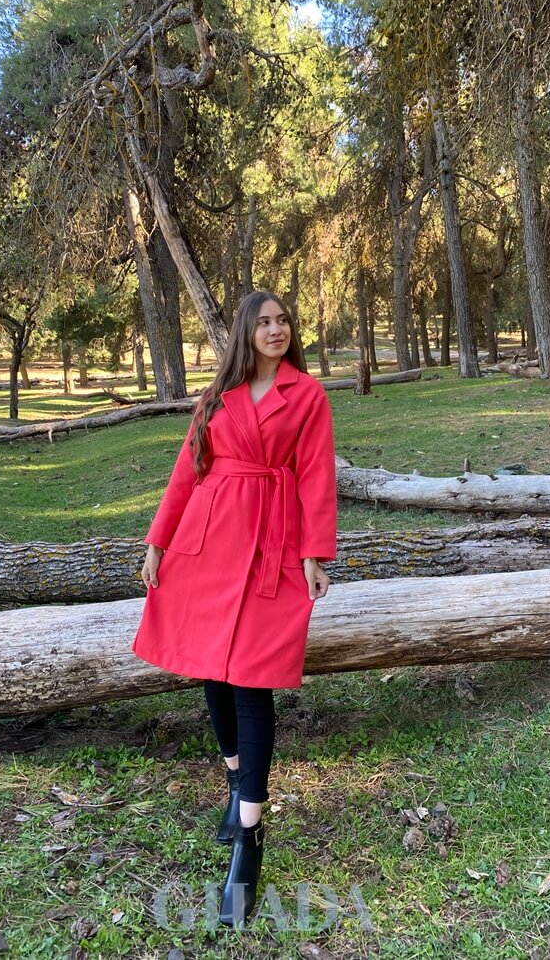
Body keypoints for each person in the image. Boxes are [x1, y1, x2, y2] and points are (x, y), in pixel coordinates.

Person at [133, 290, 337, 927]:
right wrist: (158, 542)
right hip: (207, 543)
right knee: (210, 670)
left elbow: (316, 475)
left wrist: (315, 553)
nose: (277, 329)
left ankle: (249, 836)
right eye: (265, 322)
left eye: (284, 320)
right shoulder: (217, 396)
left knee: (252, 679)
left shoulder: (307, 395)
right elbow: (186, 471)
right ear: (246, 332)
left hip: (270, 545)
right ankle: (234, 777)